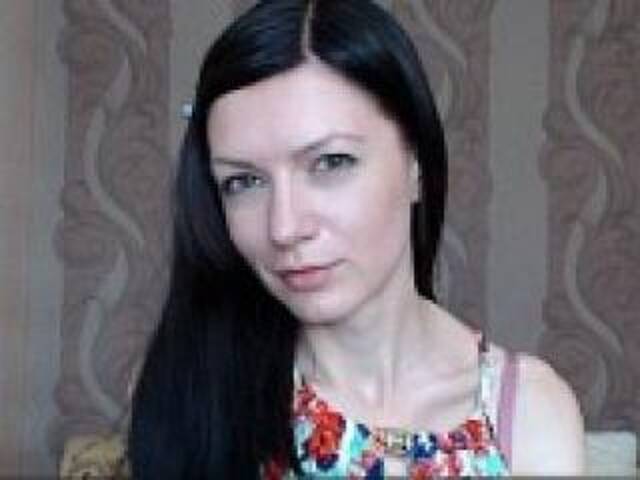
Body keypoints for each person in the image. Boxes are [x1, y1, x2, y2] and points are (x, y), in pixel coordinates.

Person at [128, 0, 585, 478]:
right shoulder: (188, 391)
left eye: (331, 162)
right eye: (244, 181)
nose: (284, 227)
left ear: (415, 163)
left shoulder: (529, 412)